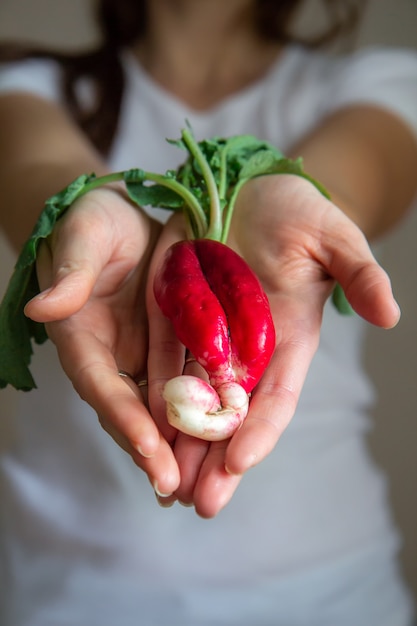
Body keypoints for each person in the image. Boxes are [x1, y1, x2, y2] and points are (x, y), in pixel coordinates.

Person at [0, 0, 416, 624]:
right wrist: (90, 204)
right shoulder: (28, 84)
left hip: (329, 591)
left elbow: (355, 175)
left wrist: (294, 193)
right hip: (69, 591)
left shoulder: (376, 82)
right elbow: (35, 165)